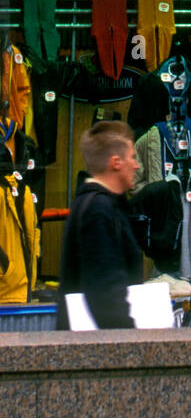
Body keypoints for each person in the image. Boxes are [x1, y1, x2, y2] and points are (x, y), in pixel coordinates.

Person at [57, 120, 144, 330]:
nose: (137, 165)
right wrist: (132, 339)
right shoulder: (99, 210)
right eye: (132, 157)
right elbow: (106, 293)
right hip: (101, 342)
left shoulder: (93, 203)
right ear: (116, 162)